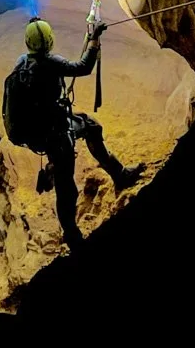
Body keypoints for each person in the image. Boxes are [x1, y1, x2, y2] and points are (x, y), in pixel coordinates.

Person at [12, 15, 145, 250]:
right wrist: (94, 40)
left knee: (91, 127)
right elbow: (83, 67)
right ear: (50, 40)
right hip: (55, 134)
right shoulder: (51, 62)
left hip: (44, 127)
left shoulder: (22, 63)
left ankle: (120, 173)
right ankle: (72, 236)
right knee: (67, 189)